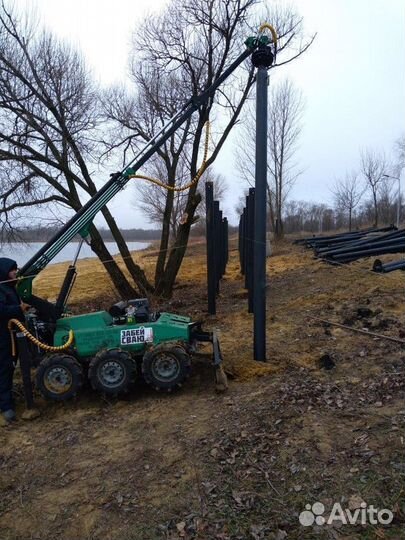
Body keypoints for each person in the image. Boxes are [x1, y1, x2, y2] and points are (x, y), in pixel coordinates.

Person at [0, 258, 29, 422]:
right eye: (13, 270)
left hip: (12, 336)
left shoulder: (10, 288)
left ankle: (7, 399)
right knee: (4, 369)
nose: (15, 273)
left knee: (10, 368)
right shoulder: (1, 289)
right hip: (3, 337)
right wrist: (18, 309)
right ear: (4, 272)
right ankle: (6, 407)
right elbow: (1, 310)